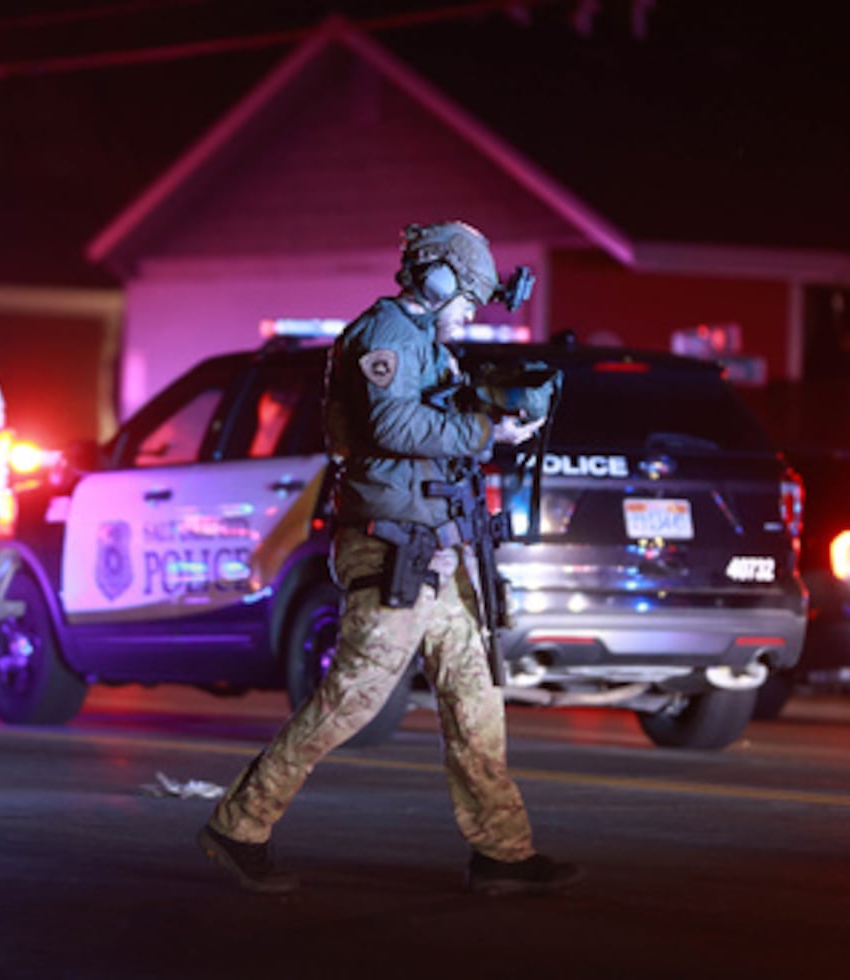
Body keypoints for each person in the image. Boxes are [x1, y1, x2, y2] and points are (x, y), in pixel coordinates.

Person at [197, 220, 583, 897]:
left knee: (476, 699)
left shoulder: (428, 344)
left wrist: (492, 408)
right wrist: (485, 429)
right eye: (466, 293)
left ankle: (502, 853)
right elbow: (393, 426)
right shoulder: (383, 337)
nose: (469, 309)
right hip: (395, 548)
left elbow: (435, 420)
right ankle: (239, 826)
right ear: (436, 279)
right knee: (353, 697)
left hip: (443, 550)